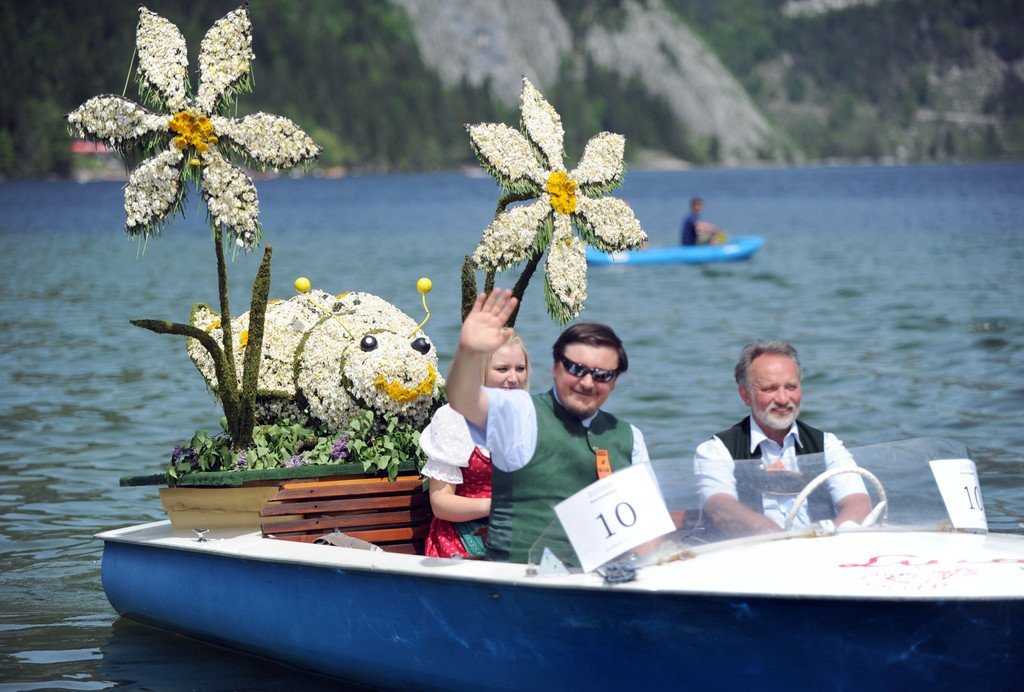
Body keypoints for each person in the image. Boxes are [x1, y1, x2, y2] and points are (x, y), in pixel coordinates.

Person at [446, 289, 650, 563]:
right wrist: (469, 353)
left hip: (603, 580)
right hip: (520, 581)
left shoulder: (630, 437)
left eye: (602, 375)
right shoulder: (521, 414)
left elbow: (646, 528)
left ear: (614, 381)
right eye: (576, 369)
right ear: (555, 368)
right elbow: (463, 400)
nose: (587, 382)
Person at [693, 340, 871, 537]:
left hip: (822, 547)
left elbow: (858, 503)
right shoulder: (716, 451)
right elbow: (721, 508)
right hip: (754, 551)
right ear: (746, 395)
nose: (783, 399)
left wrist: (829, 535)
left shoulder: (827, 444)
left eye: (791, 387)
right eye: (770, 388)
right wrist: (776, 537)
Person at [419, 335, 530, 558]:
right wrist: (497, 506)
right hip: (462, 541)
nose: (513, 378)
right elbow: (441, 504)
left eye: (520, 368)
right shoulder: (454, 418)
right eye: (502, 369)